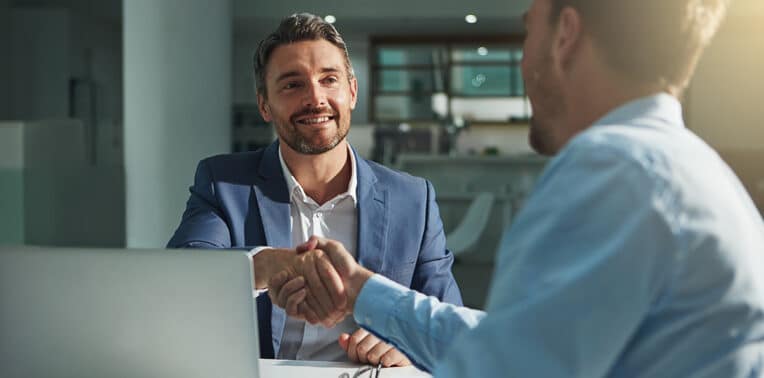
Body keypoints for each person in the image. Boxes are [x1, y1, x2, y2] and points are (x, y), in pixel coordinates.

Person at [269, 0, 764, 376]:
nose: (525, 62)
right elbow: (520, 344)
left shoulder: (611, 170)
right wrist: (363, 293)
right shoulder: (693, 170)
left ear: (564, 36)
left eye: (528, 32)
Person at [167, 13, 462, 364]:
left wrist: (409, 347)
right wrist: (268, 266)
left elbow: (449, 322)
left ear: (352, 92)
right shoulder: (223, 183)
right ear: (264, 104)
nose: (315, 98)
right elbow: (182, 275)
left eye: (329, 79)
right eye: (293, 84)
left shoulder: (413, 199)